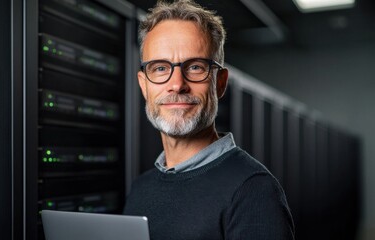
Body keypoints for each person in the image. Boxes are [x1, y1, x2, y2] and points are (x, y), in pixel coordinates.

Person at [124, 0, 295, 239]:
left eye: (195, 67)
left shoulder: (253, 190)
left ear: (220, 83)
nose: (177, 85)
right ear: (144, 85)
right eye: (160, 68)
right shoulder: (140, 189)